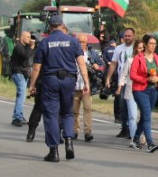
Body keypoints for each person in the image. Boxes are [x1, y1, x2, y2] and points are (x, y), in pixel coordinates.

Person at [28, 15, 89, 162]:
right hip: (69, 80)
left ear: (50, 27)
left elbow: (36, 67)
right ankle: (68, 141)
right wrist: (86, 82)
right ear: (62, 25)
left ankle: (53, 151)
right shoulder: (73, 41)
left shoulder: (44, 42)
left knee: (51, 115)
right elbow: (81, 64)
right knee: (67, 113)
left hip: (51, 81)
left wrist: (32, 85)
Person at [129, 34, 158, 153]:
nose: (153, 46)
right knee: (147, 115)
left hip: (153, 90)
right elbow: (132, 75)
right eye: (151, 43)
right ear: (145, 44)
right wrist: (146, 80)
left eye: (155, 44)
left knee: (145, 116)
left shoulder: (157, 58)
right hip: (140, 90)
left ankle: (136, 138)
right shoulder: (138, 58)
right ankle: (150, 143)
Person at [72, 33, 104, 142]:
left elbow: (103, 66)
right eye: (79, 42)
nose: (81, 44)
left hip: (87, 86)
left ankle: (88, 132)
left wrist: (98, 66)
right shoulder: (71, 52)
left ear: (87, 43)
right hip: (74, 86)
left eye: (83, 42)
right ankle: (75, 131)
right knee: (74, 110)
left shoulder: (92, 53)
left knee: (88, 108)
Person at [106, 28, 135, 138]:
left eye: (129, 36)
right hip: (121, 81)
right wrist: (108, 78)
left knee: (130, 106)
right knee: (122, 105)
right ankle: (124, 128)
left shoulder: (136, 48)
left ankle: (131, 129)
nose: (127, 38)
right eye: (125, 36)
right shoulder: (118, 48)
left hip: (133, 81)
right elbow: (113, 64)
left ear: (133, 36)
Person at [116, 39, 143, 145]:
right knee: (133, 116)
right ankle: (134, 138)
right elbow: (123, 75)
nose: (141, 50)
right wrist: (119, 87)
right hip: (131, 90)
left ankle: (143, 135)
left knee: (144, 115)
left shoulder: (147, 61)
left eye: (143, 48)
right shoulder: (130, 60)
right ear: (136, 48)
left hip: (143, 91)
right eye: (140, 48)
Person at [10, 31, 35, 127]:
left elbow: (27, 55)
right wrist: (31, 46)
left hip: (22, 73)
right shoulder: (18, 47)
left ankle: (19, 115)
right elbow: (26, 55)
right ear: (22, 38)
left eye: (30, 37)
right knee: (21, 94)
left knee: (21, 95)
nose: (29, 39)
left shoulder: (24, 47)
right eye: (28, 37)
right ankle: (17, 117)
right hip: (18, 73)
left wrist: (31, 46)